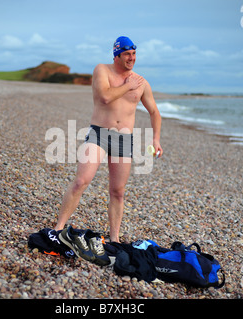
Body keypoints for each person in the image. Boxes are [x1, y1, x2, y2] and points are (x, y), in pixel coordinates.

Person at [55, 36, 163, 243]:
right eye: (126, 55)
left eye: (133, 54)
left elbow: (154, 112)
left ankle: (114, 239)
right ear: (116, 55)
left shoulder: (141, 82)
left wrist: (156, 139)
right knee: (81, 181)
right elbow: (105, 96)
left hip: (124, 139)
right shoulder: (102, 70)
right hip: (99, 133)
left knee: (118, 191)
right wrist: (128, 85)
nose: (131, 58)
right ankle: (58, 229)